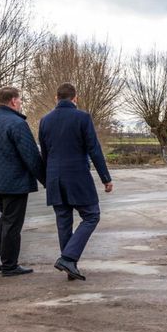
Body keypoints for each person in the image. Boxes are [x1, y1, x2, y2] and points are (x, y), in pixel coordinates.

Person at [38, 83, 113, 281]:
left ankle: (69, 265)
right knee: (91, 215)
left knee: (63, 222)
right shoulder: (82, 118)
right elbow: (94, 149)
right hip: (77, 177)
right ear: (75, 98)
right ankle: (68, 258)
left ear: (56, 98)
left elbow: (44, 154)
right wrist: (106, 178)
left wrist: (47, 179)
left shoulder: (45, 121)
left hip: (54, 178)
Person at [0, 87, 45, 277]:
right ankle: (9, 265)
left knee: (6, 218)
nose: (21, 103)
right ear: (14, 101)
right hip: (14, 181)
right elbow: (31, 155)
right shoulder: (16, 123)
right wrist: (46, 179)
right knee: (13, 224)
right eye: (20, 100)